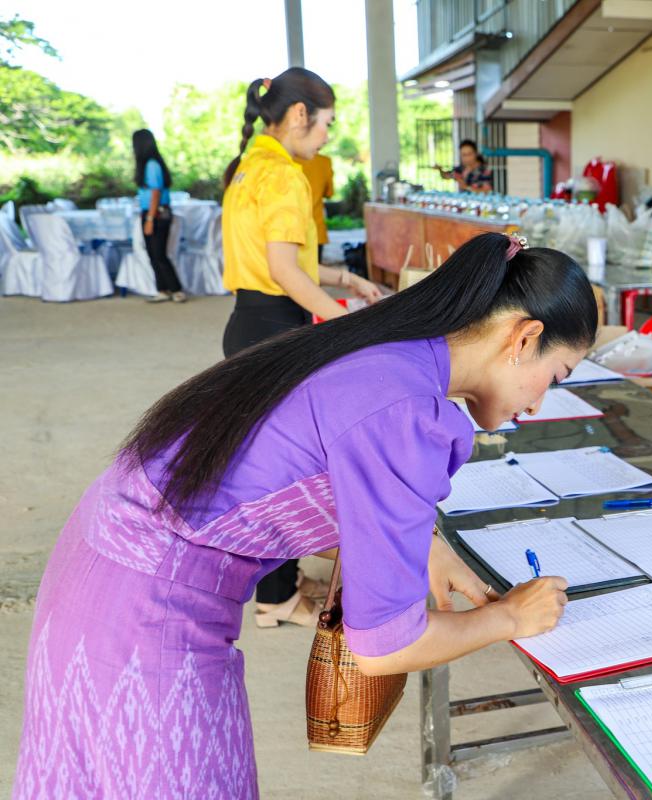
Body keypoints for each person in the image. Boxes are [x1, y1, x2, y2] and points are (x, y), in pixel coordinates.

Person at [14, 232, 594, 797]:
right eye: (556, 376)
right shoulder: (406, 411)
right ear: (524, 337)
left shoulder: (385, 348)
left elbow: (277, 478)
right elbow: (385, 645)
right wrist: (511, 618)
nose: (538, 403)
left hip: (97, 569)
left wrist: (421, 544)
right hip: (146, 618)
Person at [221, 68, 382, 626]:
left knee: (268, 463)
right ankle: (277, 598)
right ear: (298, 115)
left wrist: (344, 279)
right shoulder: (286, 175)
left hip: (249, 323)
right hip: (276, 329)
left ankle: (280, 584)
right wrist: (348, 325)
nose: (326, 137)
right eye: (326, 124)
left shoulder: (250, 164)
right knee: (286, 470)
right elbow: (285, 271)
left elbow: (282, 262)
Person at [132, 129, 186, 303]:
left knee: (159, 253)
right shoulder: (147, 165)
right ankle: (162, 289)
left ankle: (176, 289)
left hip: (157, 213)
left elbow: (155, 193)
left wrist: (150, 218)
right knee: (152, 254)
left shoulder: (152, 165)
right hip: (149, 212)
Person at [299, 152, 334, 263]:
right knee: (315, 268)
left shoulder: (283, 161)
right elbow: (329, 193)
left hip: (289, 229)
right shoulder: (324, 162)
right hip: (316, 227)